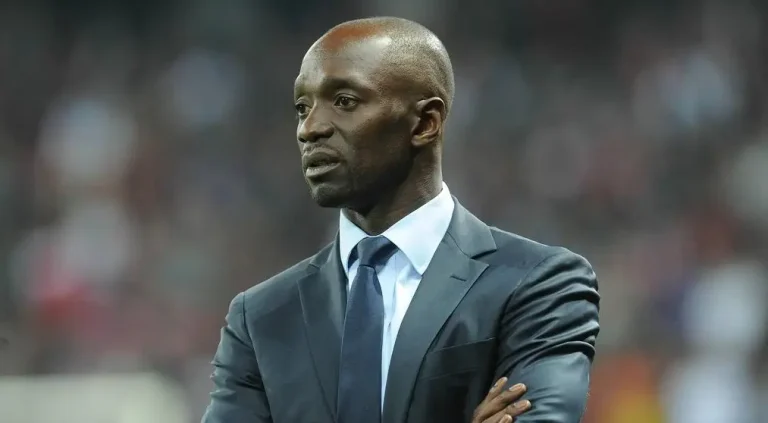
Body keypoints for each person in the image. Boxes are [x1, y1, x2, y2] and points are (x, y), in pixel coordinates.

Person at [202, 17, 600, 423]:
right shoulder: (261, 318)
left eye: (344, 101)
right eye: (302, 108)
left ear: (426, 123)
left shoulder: (536, 284)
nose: (310, 128)